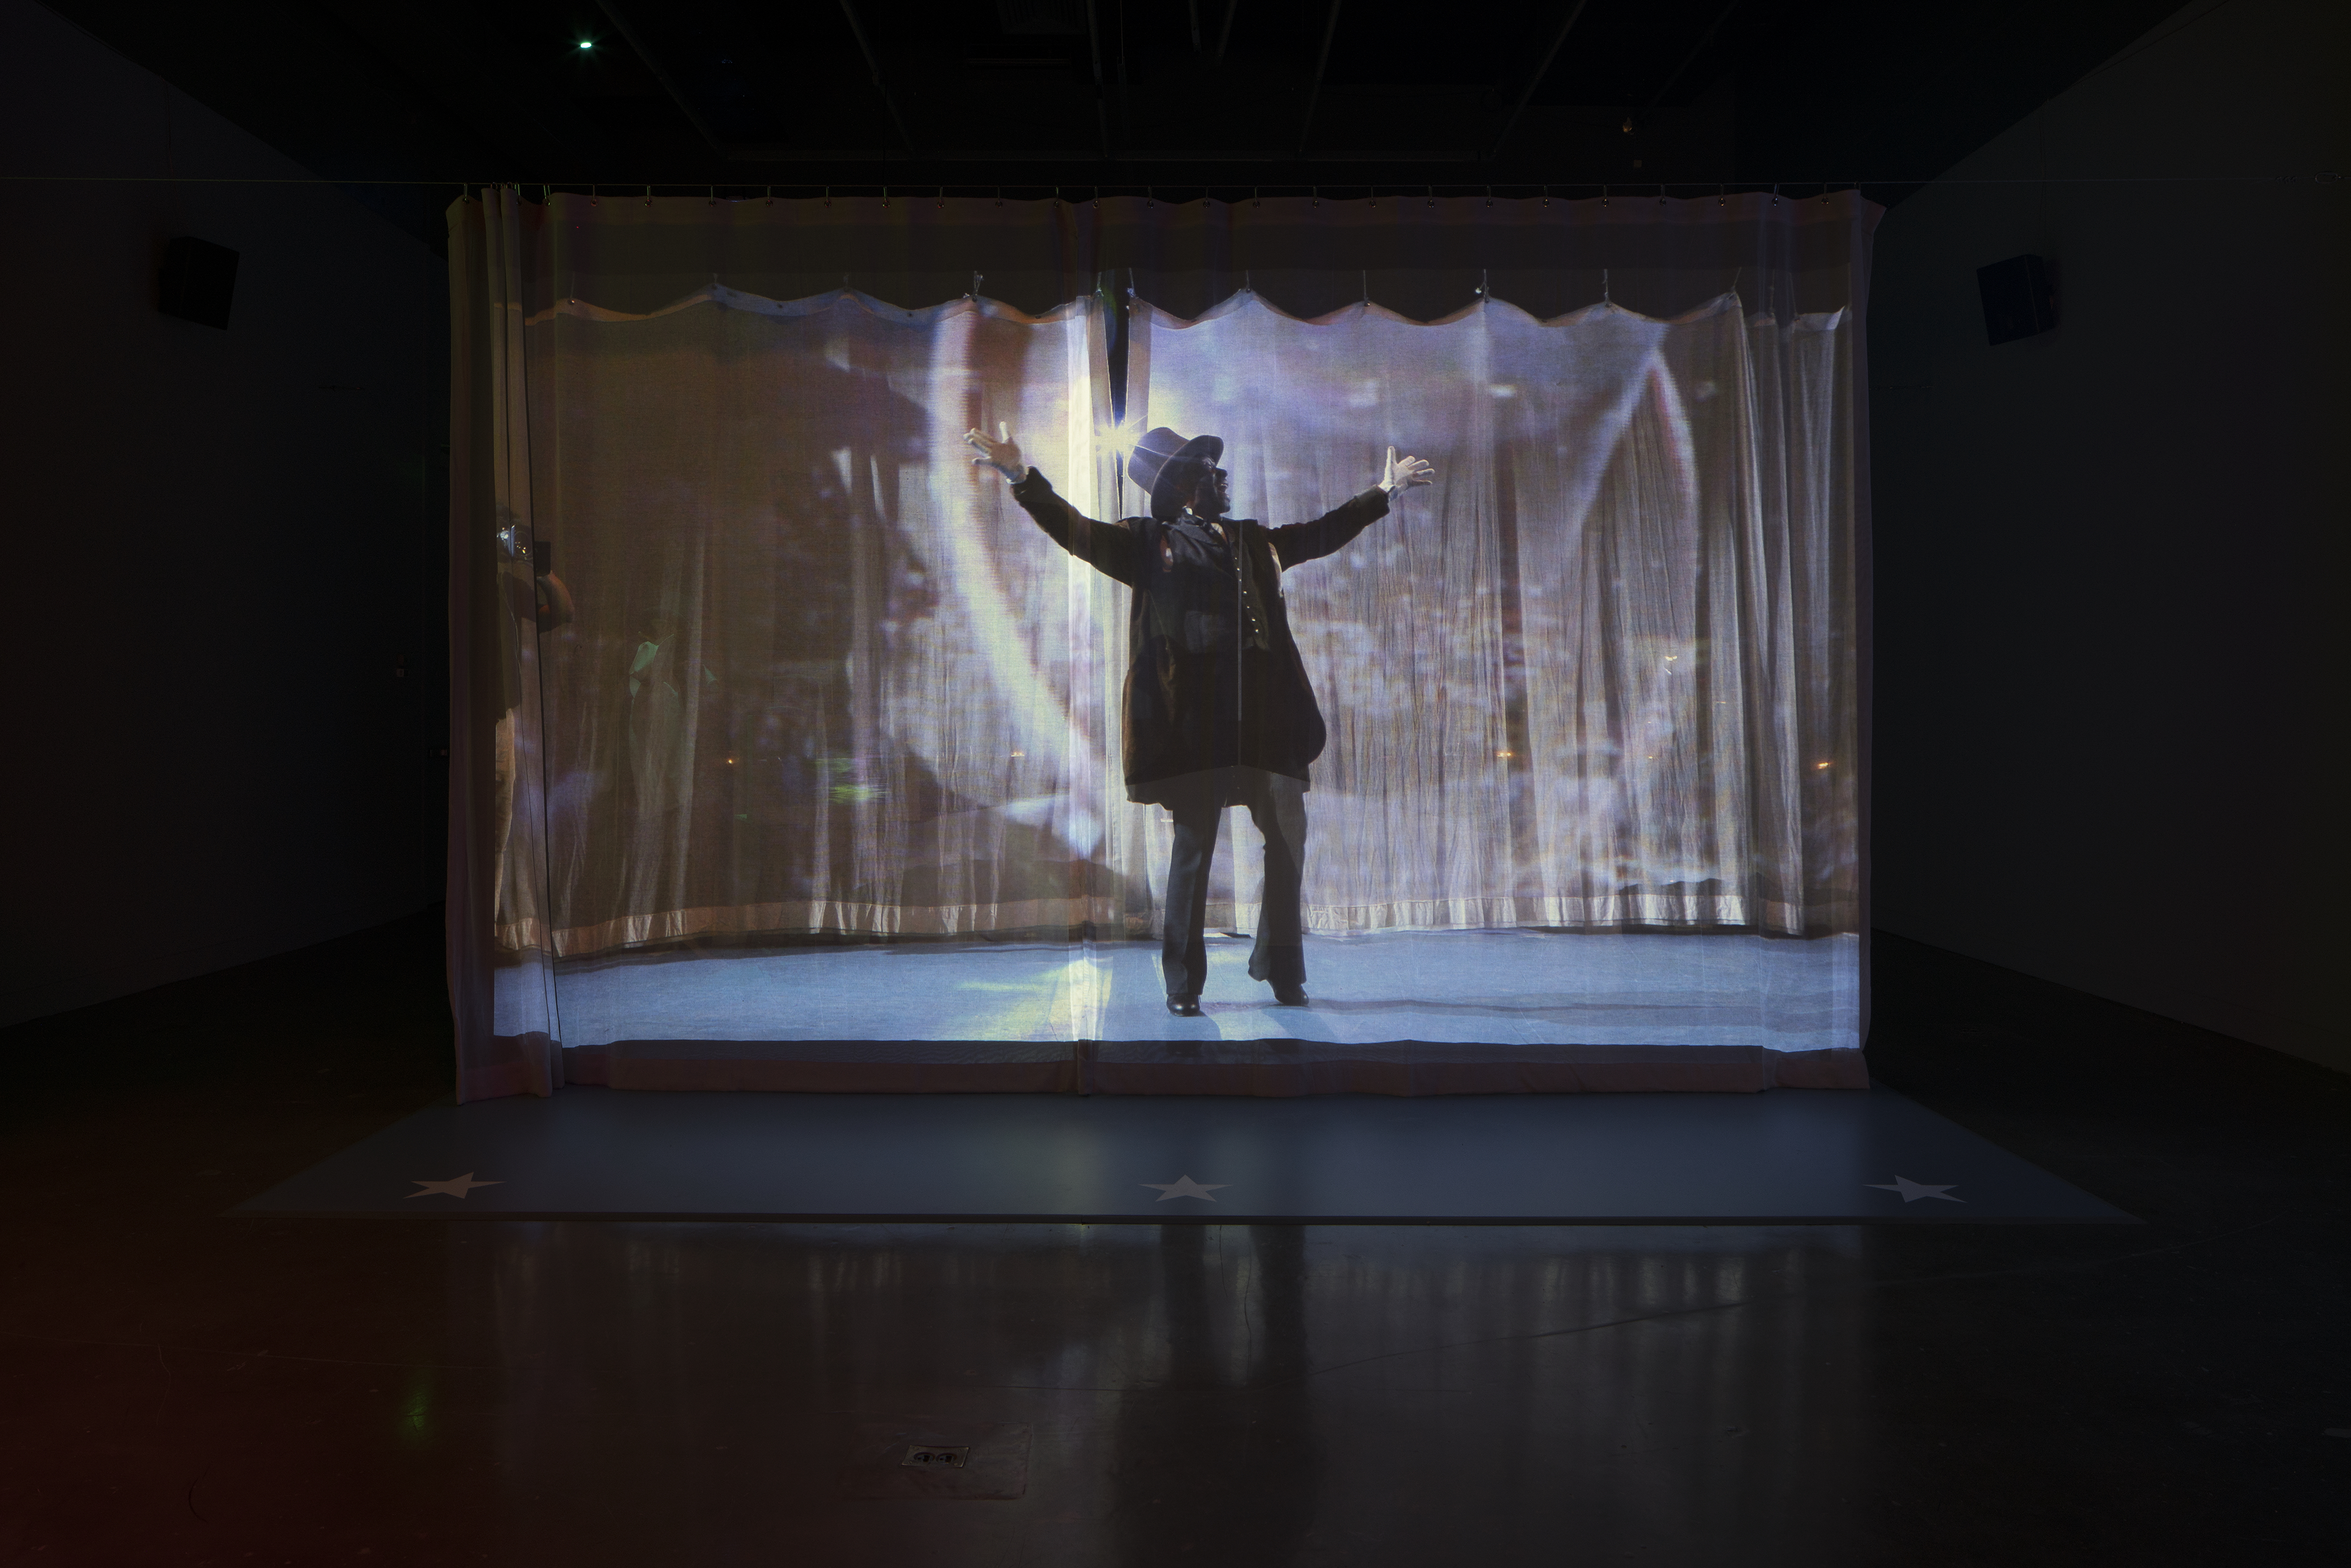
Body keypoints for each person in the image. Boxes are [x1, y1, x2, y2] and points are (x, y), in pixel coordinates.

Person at [964, 422, 1434, 1015]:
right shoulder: (1147, 542)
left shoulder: (1251, 539)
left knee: (1288, 841)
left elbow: (1320, 534)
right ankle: (1182, 984)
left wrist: (1382, 492)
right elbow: (1076, 532)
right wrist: (1021, 477)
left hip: (1266, 718)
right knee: (1194, 849)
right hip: (1193, 723)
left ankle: (1282, 967)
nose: (1222, 477)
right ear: (1187, 486)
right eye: (1210, 473)